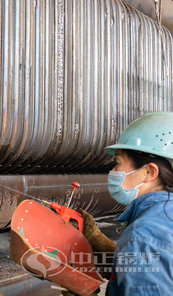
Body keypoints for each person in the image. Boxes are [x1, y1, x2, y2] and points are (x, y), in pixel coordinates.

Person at [80, 111, 173, 296]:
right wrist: (105, 251)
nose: (113, 171)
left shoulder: (142, 237)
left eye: (117, 163)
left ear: (149, 172)